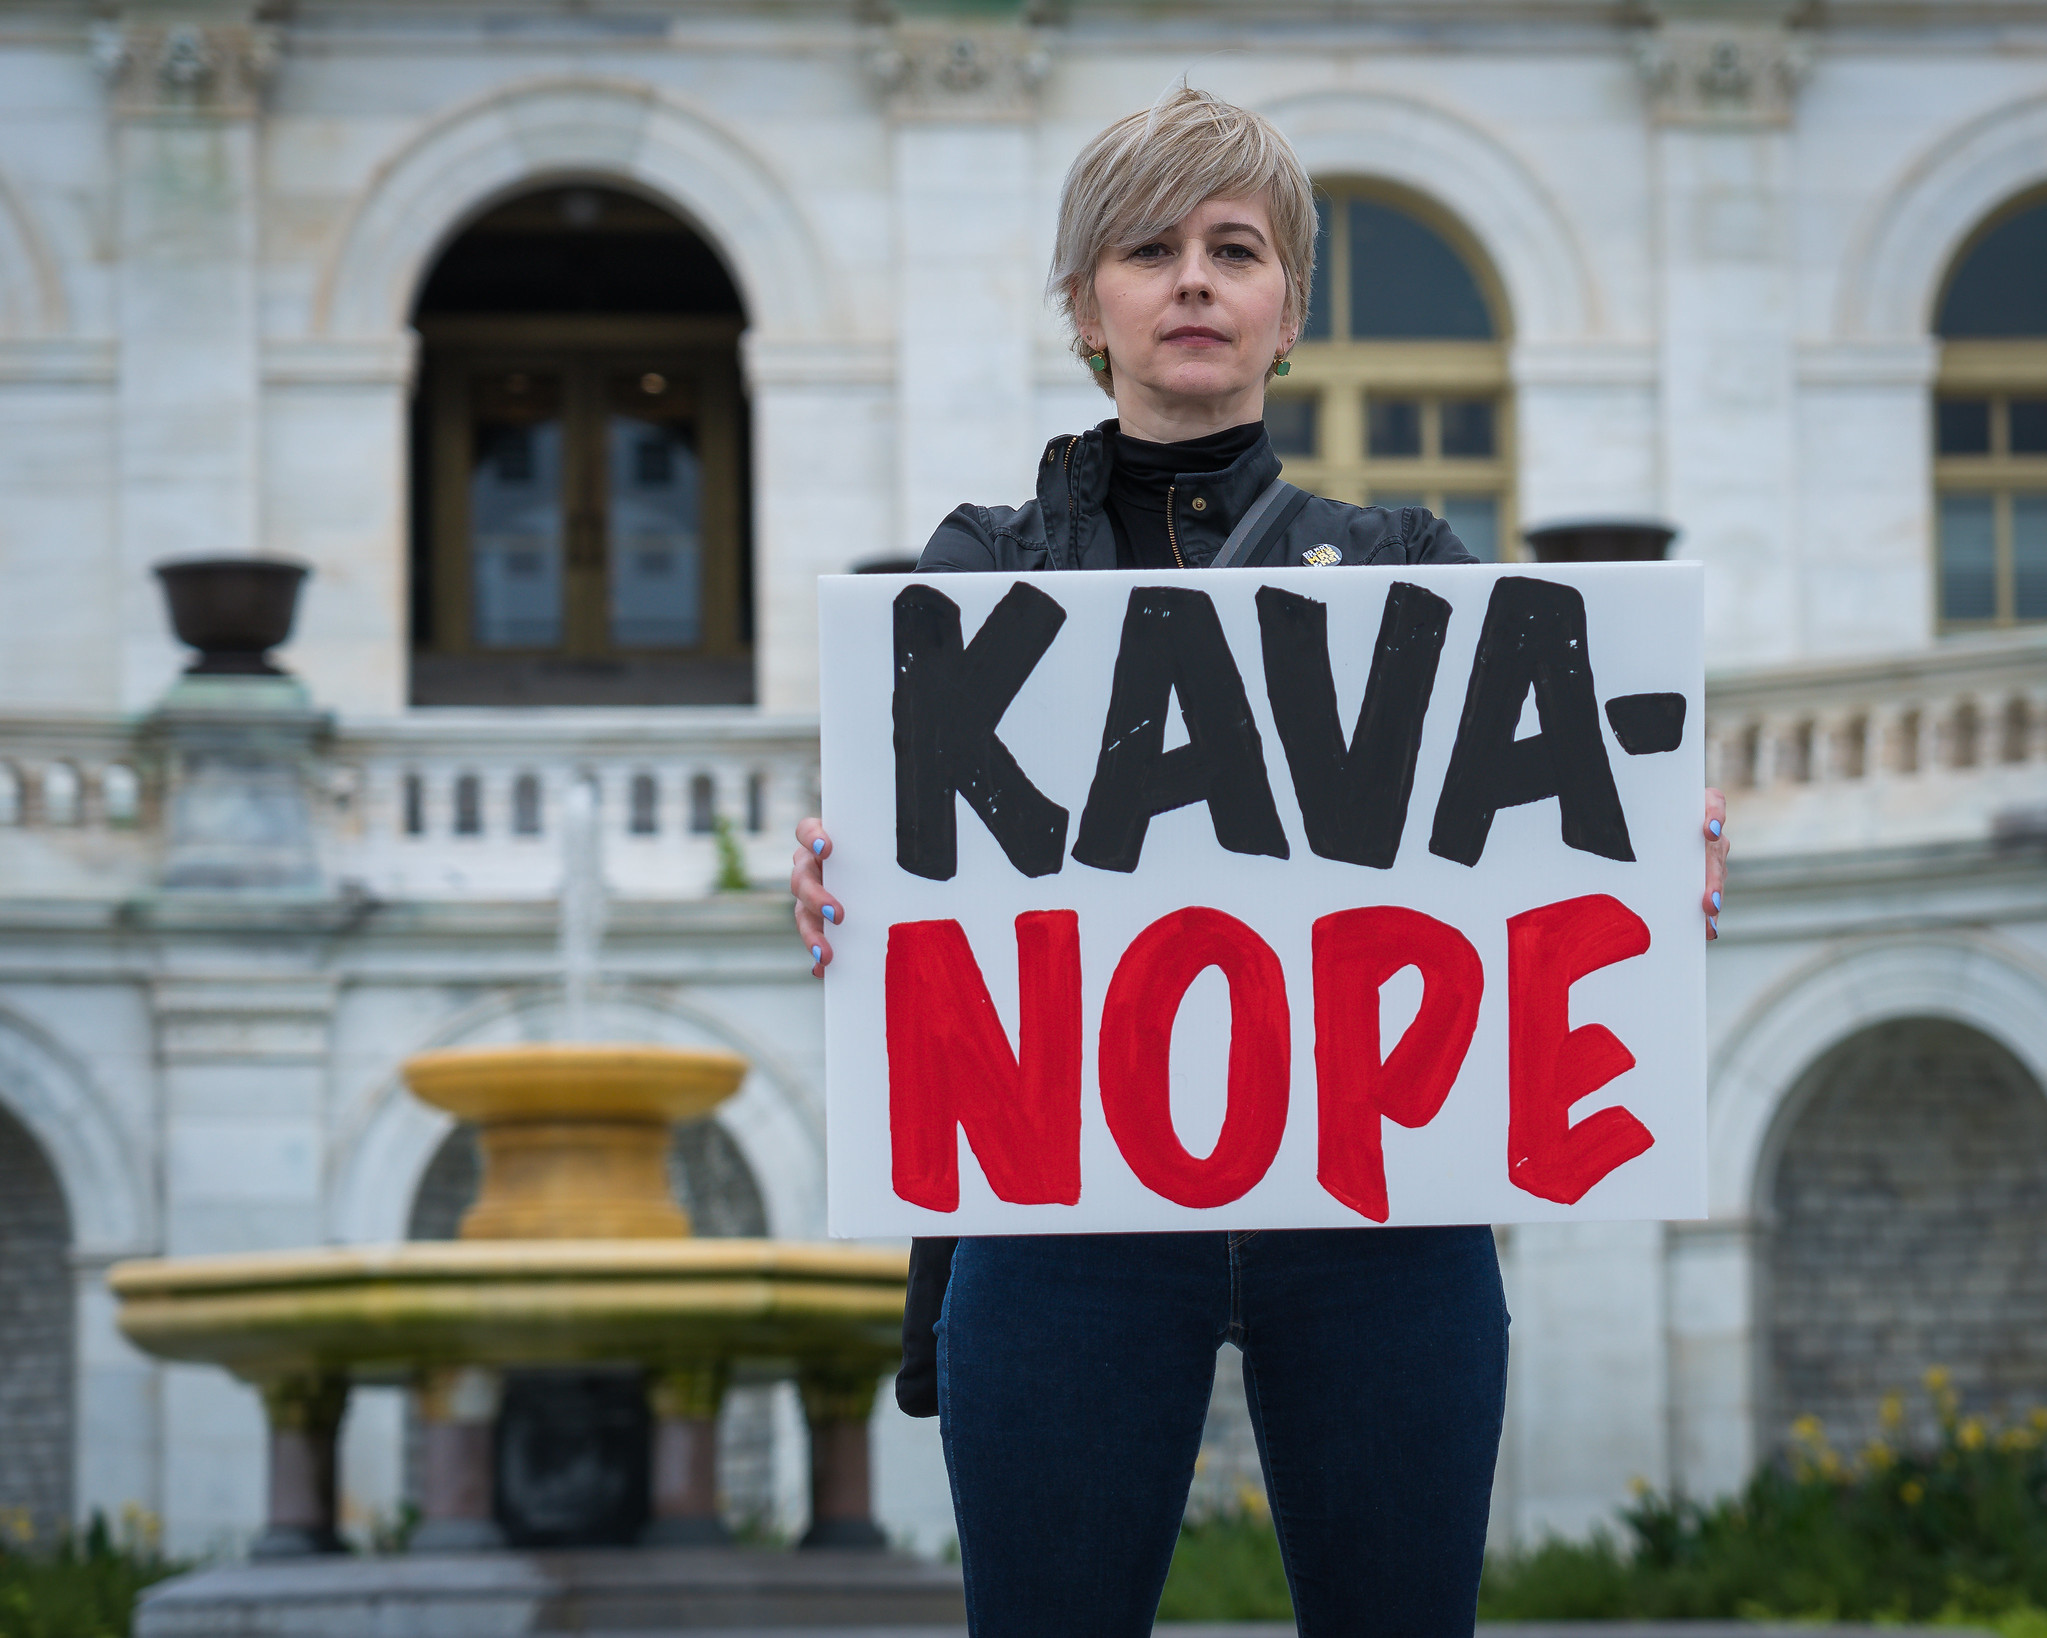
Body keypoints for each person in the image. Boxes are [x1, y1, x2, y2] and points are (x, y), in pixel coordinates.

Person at [790, 86, 1732, 1638]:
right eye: (1148, 248)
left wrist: (1647, 839)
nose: (1193, 280)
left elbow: (1533, 851)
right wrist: (839, 876)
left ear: (1289, 307)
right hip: (1059, 1219)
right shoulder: (977, 577)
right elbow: (914, 888)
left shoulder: (1415, 571)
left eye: (1235, 248)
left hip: (1378, 1216)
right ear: (1088, 305)